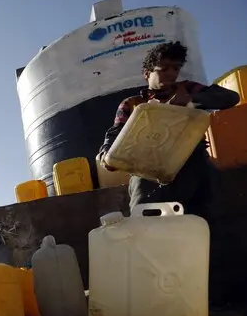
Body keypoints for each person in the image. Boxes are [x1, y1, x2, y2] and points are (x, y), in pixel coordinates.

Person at [96, 41, 240, 217]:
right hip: (147, 169)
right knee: (147, 218)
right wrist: (106, 155)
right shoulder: (132, 104)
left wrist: (191, 101)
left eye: (175, 68)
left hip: (193, 164)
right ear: (147, 74)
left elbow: (229, 97)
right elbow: (115, 132)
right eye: (163, 69)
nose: (171, 74)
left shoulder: (188, 89)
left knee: (204, 219)